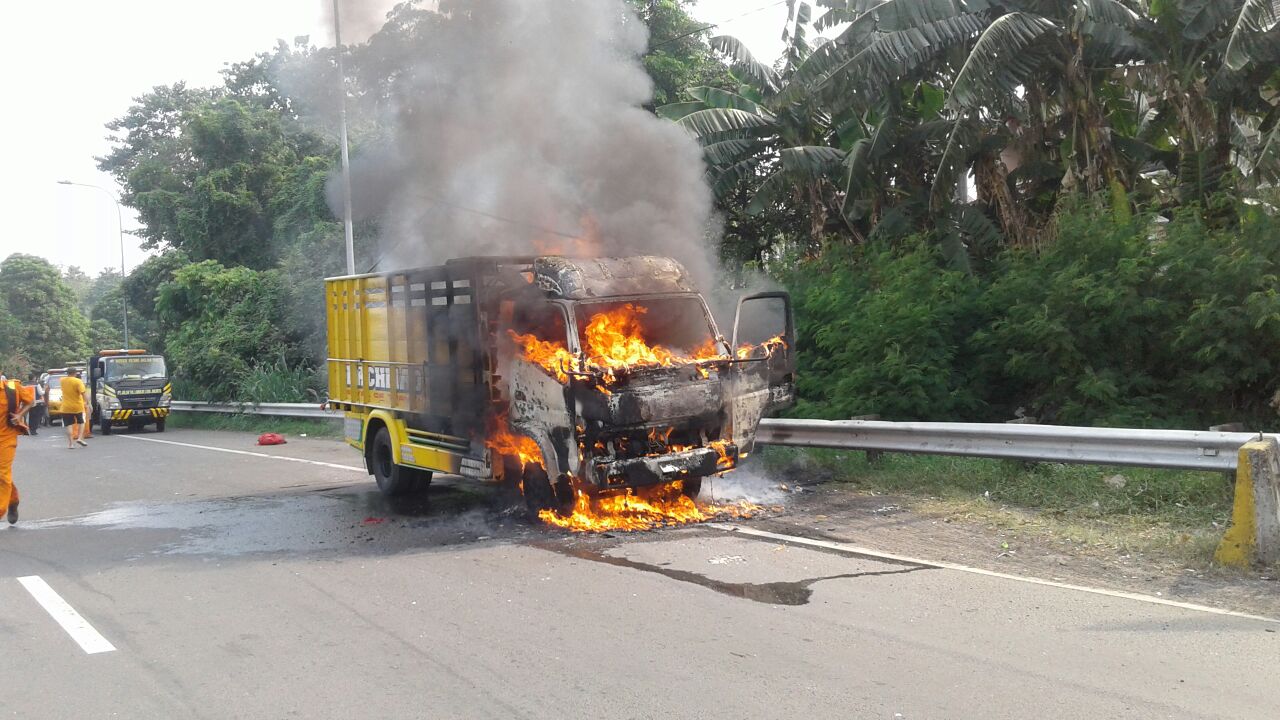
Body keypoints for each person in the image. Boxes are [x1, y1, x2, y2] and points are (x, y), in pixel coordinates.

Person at [0, 377, 34, 525]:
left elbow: (31, 401)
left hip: (6, 438)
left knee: (2, 473)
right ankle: (12, 499)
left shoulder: (12, 388)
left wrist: (20, 415)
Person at [59, 368, 89, 449]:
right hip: (77, 406)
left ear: (67, 373)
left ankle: (71, 444)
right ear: (75, 373)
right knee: (81, 422)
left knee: (69, 425)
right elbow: (83, 393)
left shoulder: (62, 380)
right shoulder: (78, 381)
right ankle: (79, 438)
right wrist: (86, 402)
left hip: (65, 407)